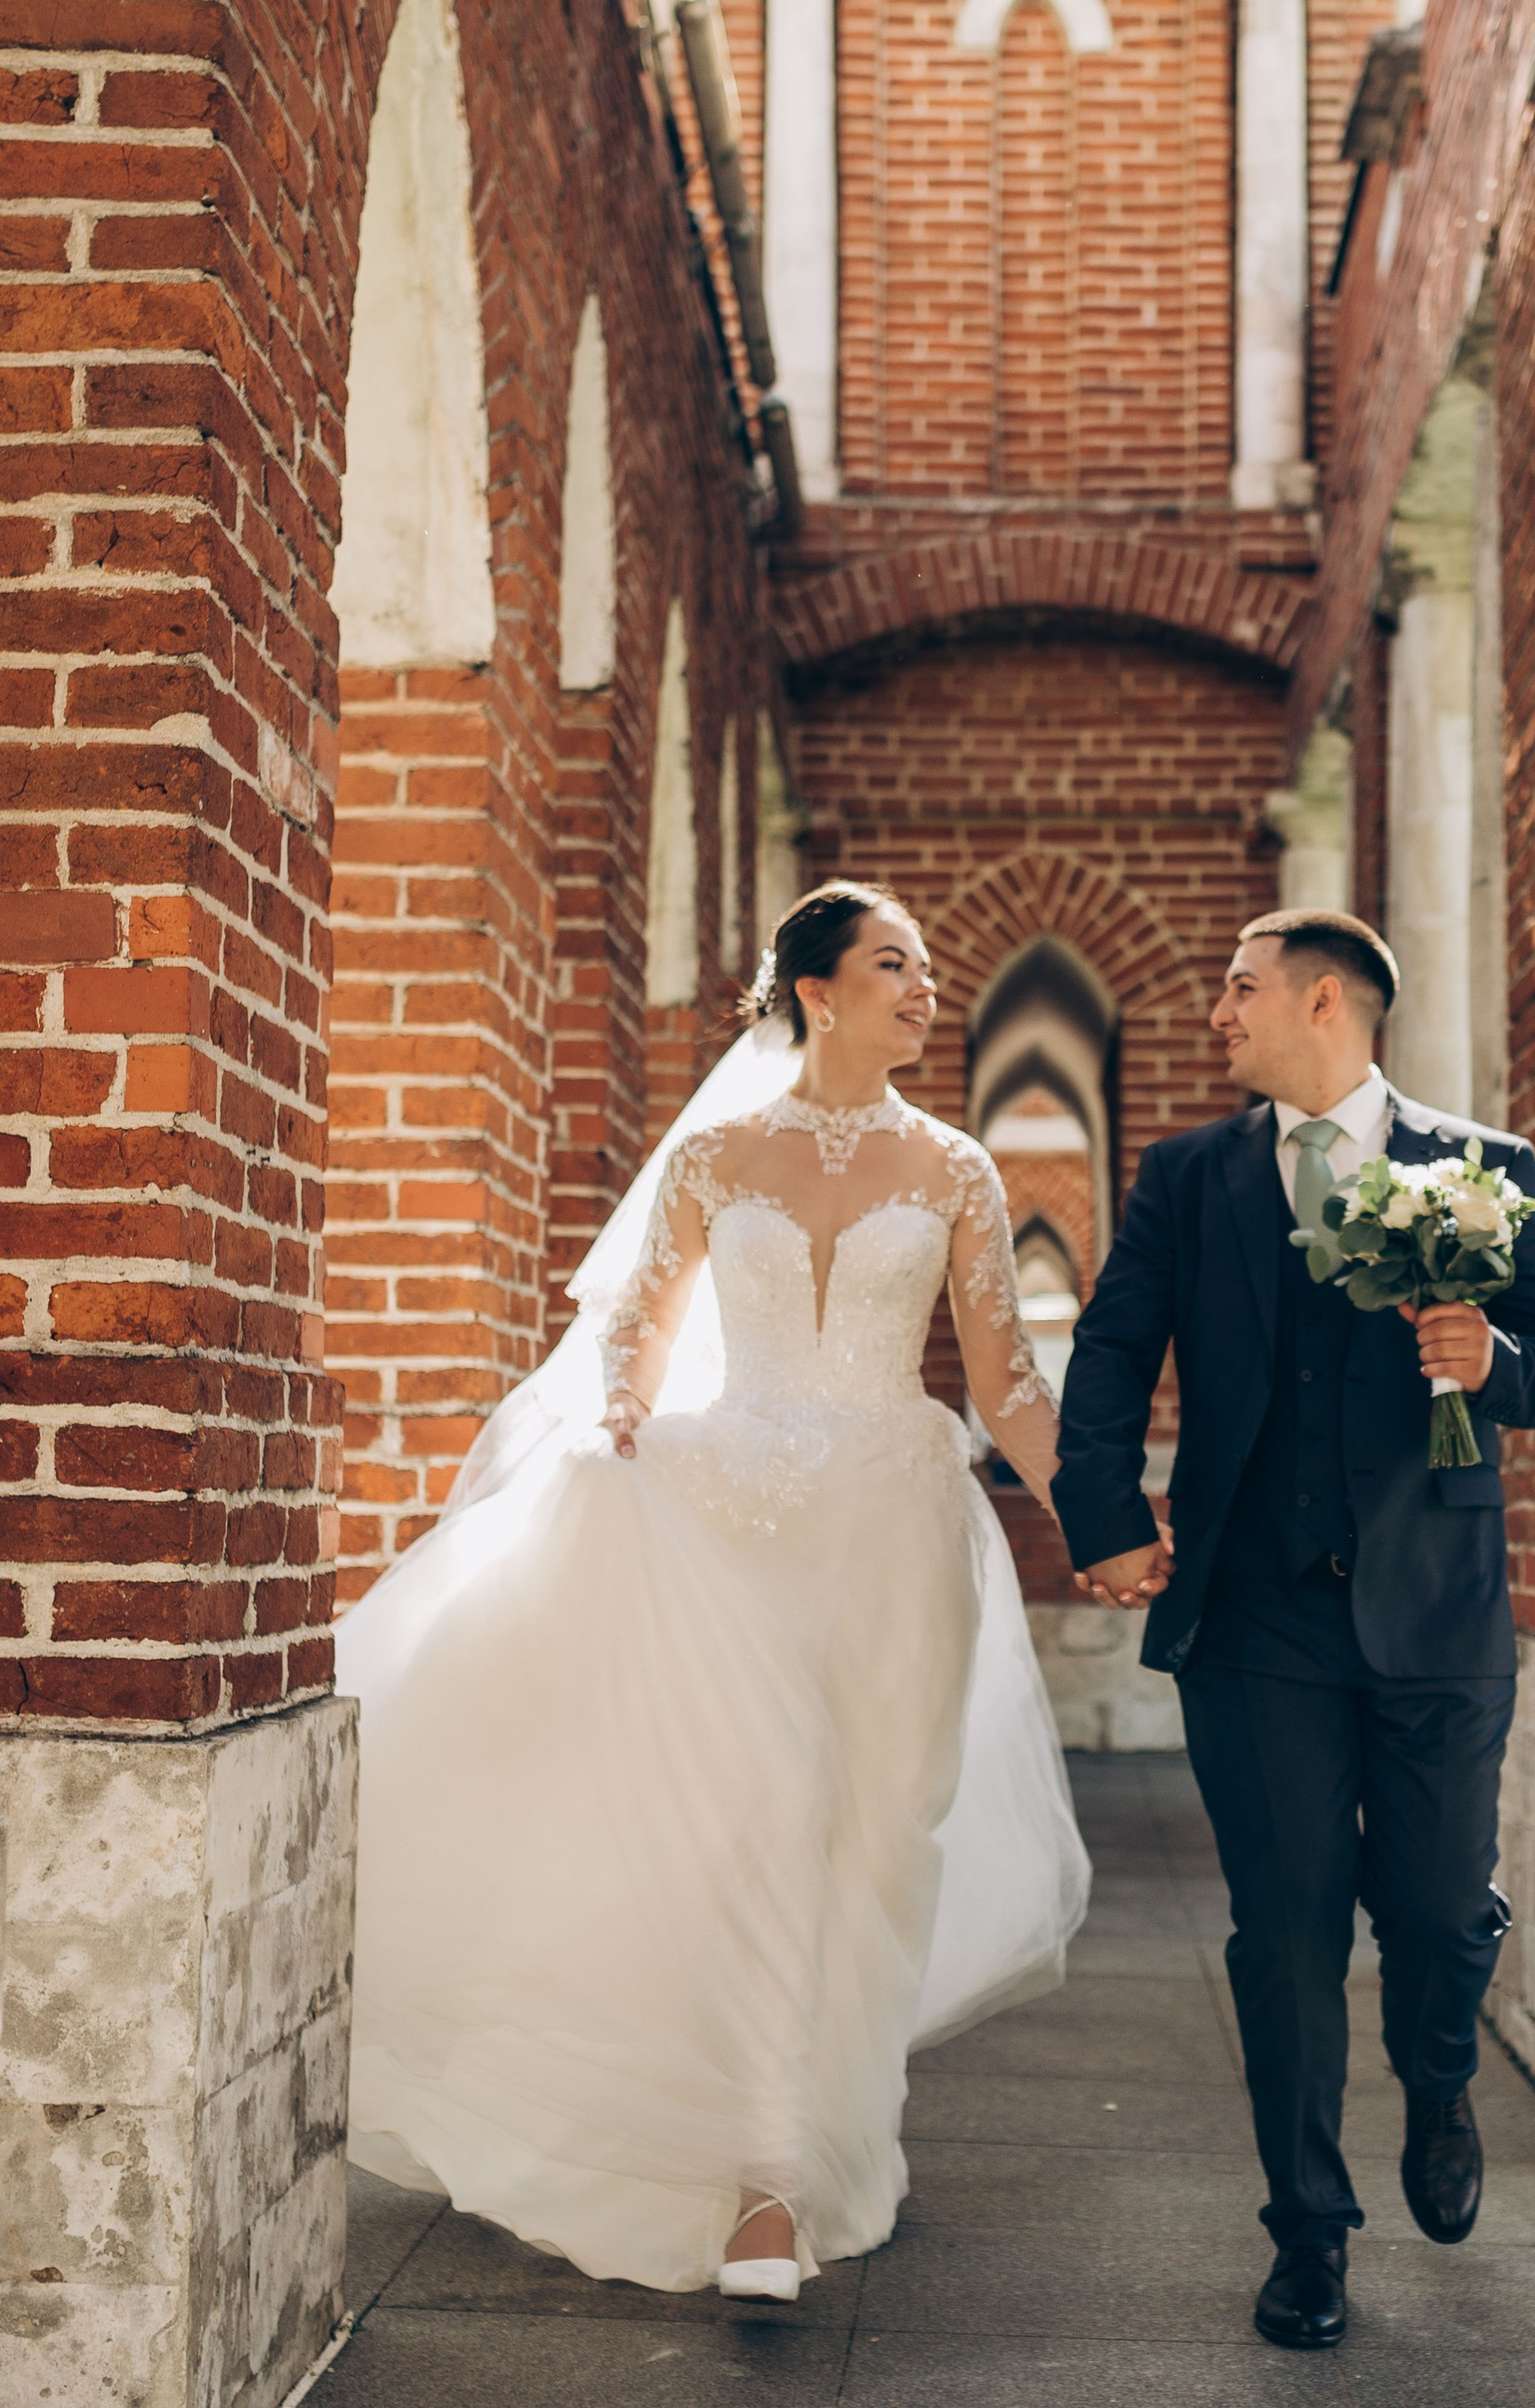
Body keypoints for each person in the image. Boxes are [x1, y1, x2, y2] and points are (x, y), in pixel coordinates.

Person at [341, 882, 1089, 2299]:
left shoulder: (956, 1173)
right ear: (818, 989)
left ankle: (839, 2134)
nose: (927, 987)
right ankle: (762, 2182)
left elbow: (1005, 1386)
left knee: (877, 1836)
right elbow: (642, 1327)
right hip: (732, 1514)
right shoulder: (715, 1157)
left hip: (892, 1532)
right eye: (895, 964)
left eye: (928, 967)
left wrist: (1101, 1519)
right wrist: (623, 1415)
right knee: (758, 1818)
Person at [1051, 909, 1535, 2350]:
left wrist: (1499, 1357)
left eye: (1238, 990)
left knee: (1429, 1911)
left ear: (1326, 1000)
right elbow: (1112, 1350)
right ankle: (1308, 2232)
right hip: (1253, 1614)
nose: (1217, 1015)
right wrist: (1102, 1506)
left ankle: (1435, 2083)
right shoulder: (1187, 1177)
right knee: (1283, 1933)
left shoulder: (1484, 1169)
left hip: (1438, 1610)